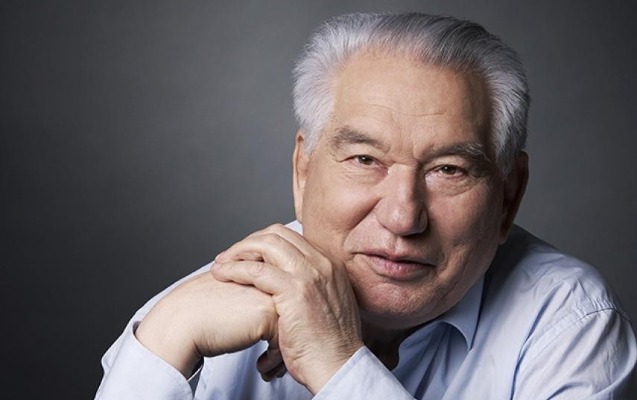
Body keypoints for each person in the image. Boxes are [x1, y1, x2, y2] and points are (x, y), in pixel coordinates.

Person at [95, 12, 637, 399]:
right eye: (364, 159)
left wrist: (337, 362)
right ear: (303, 171)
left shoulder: (569, 323)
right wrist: (164, 337)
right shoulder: (200, 312)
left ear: (508, 196)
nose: (403, 217)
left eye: (449, 169)